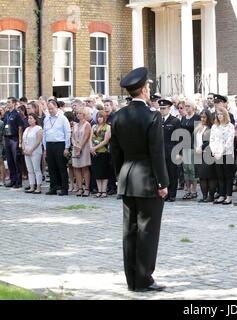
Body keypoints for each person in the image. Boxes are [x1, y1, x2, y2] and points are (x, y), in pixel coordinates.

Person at [110, 67, 169, 292]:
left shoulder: (118, 115)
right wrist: (162, 183)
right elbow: (156, 152)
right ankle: (144, 279)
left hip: (127, 177)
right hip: (146, 179)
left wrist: (120, 175)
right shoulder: (152, 116)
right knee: (147, 231)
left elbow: (116, 151)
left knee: (130, 231)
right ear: (144, 89)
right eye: (149, 87)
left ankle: (132, 279)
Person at [43, 99, 71, 196]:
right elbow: (44, 133)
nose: (50, 110)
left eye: (52, 108)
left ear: (56, 107)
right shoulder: (46, 118)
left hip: (60, 144)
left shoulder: (62, 118)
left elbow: (67, 133)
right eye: (49, 109)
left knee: (61, 167)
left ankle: (64, 188)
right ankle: (53, 187)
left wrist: (67, 147)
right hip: (49, 144)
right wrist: (45, 148)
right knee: (51, 167)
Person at [210, 106, 235, 205]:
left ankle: (228, 196)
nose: (219, 116)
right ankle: (221, 195)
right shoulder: (214, 126)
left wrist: (220, 152)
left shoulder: (230, 126)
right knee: (220, 176)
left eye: (221, 114)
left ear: (225, 115)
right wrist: (214, 151)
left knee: (228, 176)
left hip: (227, 153)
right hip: (217, 154)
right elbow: (212, 140)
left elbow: (229, 141)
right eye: (218, 114)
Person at [160, 99, 181, 202]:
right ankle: (165, 194)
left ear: (169, 108)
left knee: (172, 173)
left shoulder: (175, 121)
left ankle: (172, 194)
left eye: (164, 108)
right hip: (160, 152)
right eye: (161, 108)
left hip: (172, 151)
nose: (162, 110)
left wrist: (178, 153)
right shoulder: (158, 120)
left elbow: (179, 139)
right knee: (163, 174)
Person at [180, 99, 201, 200]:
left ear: (193, 107)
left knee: (192, 169)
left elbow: (198, 133)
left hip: (193, 146)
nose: (186, 108)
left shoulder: (197, 117)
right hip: (185, 146)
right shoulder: (183, 118)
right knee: (186, 169)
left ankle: (194, 190)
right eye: (186, 106)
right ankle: (188, 190)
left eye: (188, 106)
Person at [194, 110, 216, 202]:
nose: (202, 119)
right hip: (199, 154)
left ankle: (210, 196)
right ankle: (204, 196)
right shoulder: (199, 127)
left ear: (208, 118)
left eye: (204, 117)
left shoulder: (211, 128)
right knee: (202, 176)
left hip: (208, 154)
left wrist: (201, 147)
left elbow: (209, 141)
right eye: (201, 117)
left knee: (210, 176)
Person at [72, 107, 92, 197]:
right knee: (76, 168)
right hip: (76, 147)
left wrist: (80, 147)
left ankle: (87, 188)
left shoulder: (87, 124)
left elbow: (86, 136)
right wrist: (75, 145)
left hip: (84, 147)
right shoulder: (75, 125)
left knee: (84, 168)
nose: (78, 115)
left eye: (80, 113)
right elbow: (72, 136)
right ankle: (80, 188)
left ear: (84, 115)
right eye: (77, 114)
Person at [4, 97, 24, 188]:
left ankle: (18, 181)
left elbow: (20, 128)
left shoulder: (17, 114)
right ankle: (12, 179)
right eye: (7, 102)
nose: (7, 104)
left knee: (16, 160)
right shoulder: (7, 113)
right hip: (7, 138)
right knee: (9, 160)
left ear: (14, 103)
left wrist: (20, 141)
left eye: (9, 102)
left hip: (14, 139)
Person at [90, 111, 111, 198]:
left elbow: (106, 140)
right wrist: (91, 148)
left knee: (104, 172)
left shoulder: (108, 127)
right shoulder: (94, 126)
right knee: (97, 172)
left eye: (101, 117)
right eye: (98, 117)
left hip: (104, 152)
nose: (99, 118)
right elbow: (90, 138)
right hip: (94, 152)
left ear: (104, 118)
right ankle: (99, 190)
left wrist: (95, 147)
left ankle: (104, 191)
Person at [22, 113, 43, 194]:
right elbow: (23, 140)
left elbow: (38, 141)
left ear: (35, 119)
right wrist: (24, 148)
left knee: (36, 169)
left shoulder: (38, 128)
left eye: (31, 118)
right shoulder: (26, 129)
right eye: (28, 118)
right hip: (27, 151)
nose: (29, 120)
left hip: (35, 151)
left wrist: (31, 150)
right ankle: (31, 186)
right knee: (29, 170)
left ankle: (38, 187)